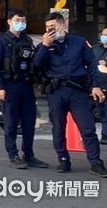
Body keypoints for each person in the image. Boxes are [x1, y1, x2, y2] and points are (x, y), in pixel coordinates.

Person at [34, 12, 107, 177]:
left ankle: (95, 162)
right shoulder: (45, 45)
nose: (50, 30)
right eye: (47, 28)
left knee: (87, 127)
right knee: (58, 127)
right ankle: (63, 159)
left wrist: (96, 86)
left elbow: (92, 65)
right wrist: (45, 46)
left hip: (78, 91)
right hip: (56, 91)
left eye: (53, 27)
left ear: (63, 25)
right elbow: (37, 65)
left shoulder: (79, 42)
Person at [0, 9, 47, 170]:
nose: (21, 23)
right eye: (17, 20)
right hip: (9, 87)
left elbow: (35, 62)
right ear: (9, 21)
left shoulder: (28, 40)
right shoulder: (1, 41)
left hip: (26, 86)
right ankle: (13, 155)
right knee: (11, 122)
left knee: (29, 122)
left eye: (23, 20)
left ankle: (28, 154)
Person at [92, 26, 107, 145]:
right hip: (97, 86)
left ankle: (105, 135)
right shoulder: (95, 49)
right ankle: (103, 135)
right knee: (101, 112)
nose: (105, 37)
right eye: (103, 35)